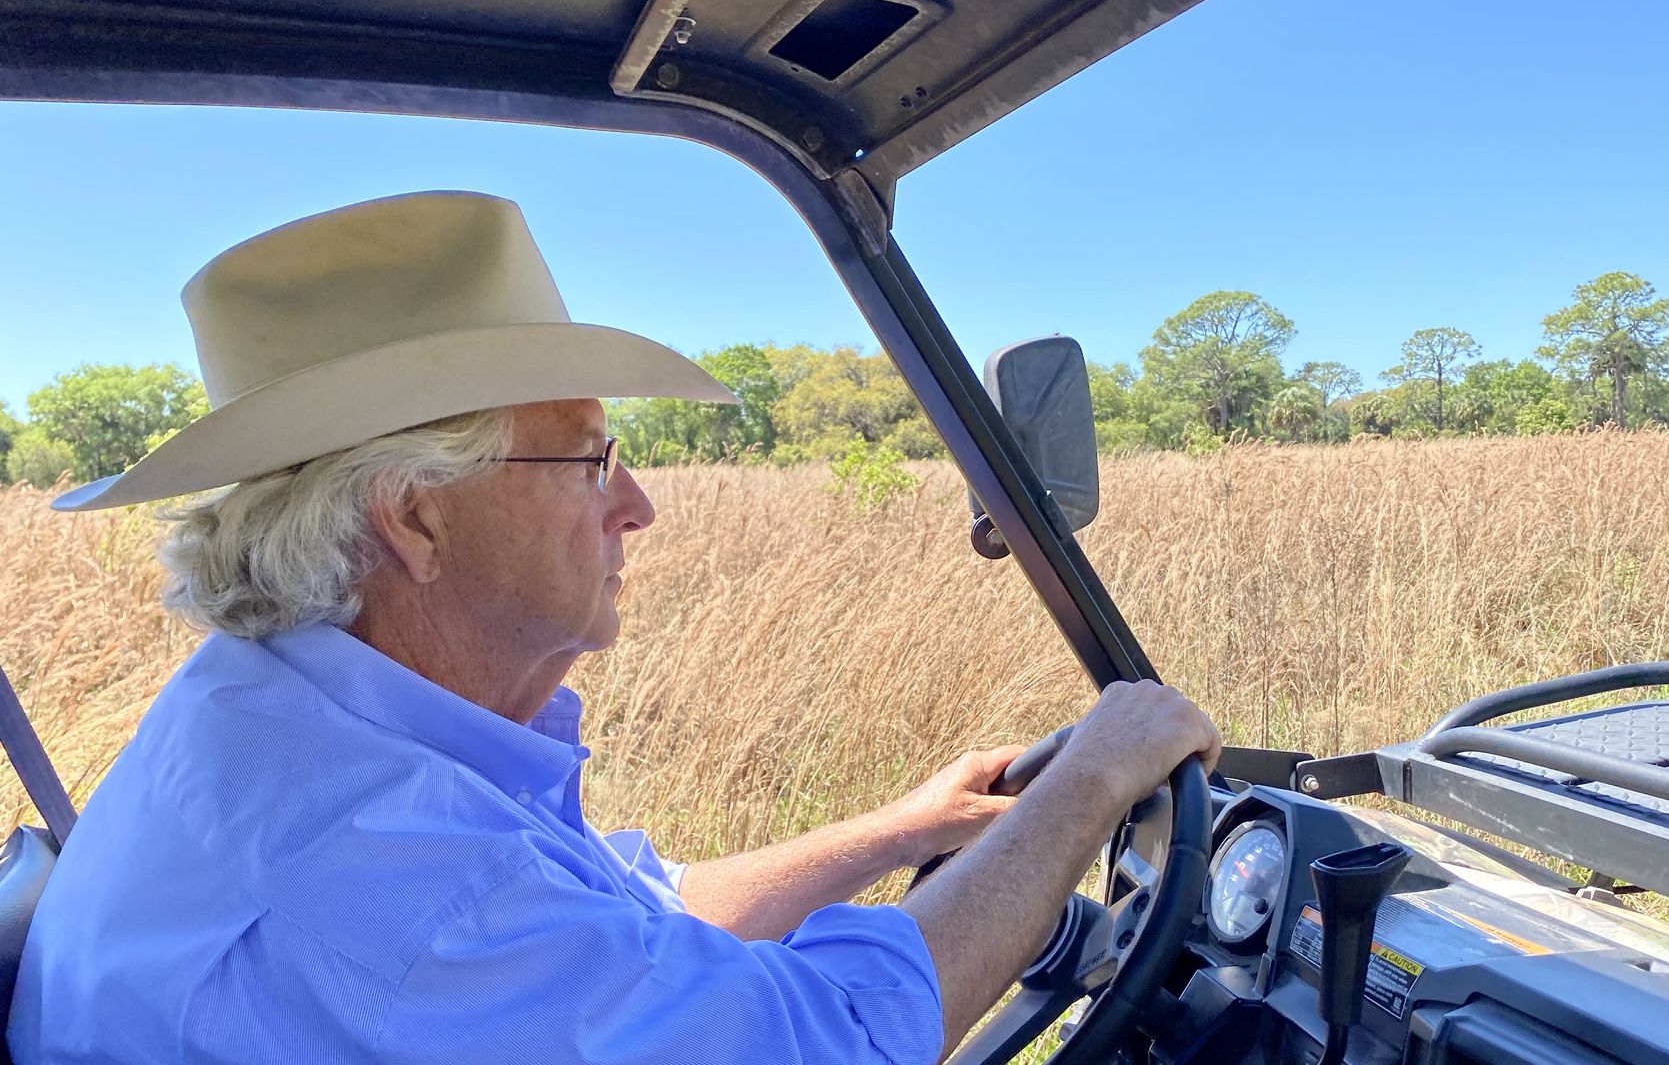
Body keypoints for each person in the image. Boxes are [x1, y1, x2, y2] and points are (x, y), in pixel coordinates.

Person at [6, 191, 1220, 1064]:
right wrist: (1091, 784)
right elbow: (831, 1043)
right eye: (589, 458)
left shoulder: (291, 719)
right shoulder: (384, 862)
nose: (635, 506)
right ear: (414, 518)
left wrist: (908, 828)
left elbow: (635, 924)